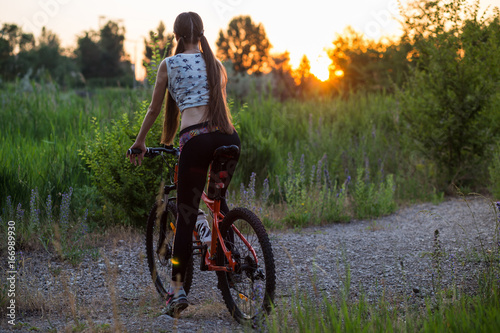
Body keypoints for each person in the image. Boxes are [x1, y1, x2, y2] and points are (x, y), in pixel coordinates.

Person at [127, 12, 240, 316]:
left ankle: (177, 292)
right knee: (218, 201)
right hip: (228, 138)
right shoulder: (215, 64)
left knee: (187, 214)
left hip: (196, 140)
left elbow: (154, 109)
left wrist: (140, 142)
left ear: (176, 36)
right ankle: (234, 263)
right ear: (201, 33)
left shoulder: (169, 64)